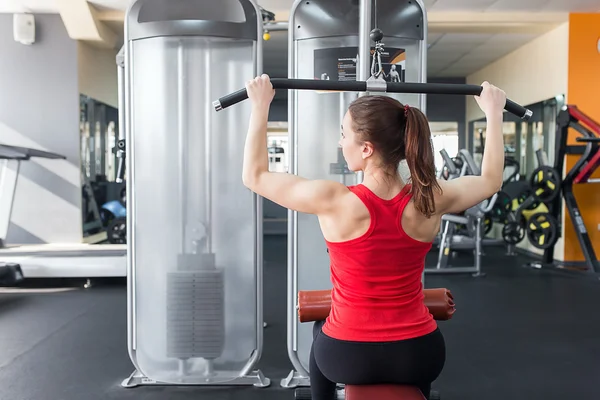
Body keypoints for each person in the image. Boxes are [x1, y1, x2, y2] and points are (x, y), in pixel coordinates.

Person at [242, 74, 506, 400]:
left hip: (348, 356)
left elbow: (254, 176)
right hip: (419, 353)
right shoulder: (431, 199)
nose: (341, 143)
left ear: (366, 148)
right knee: (411, 367)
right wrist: (494, 114)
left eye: (344, 135)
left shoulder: (334, 200)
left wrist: (260, 106)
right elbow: (491, 180)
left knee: (320, 330)